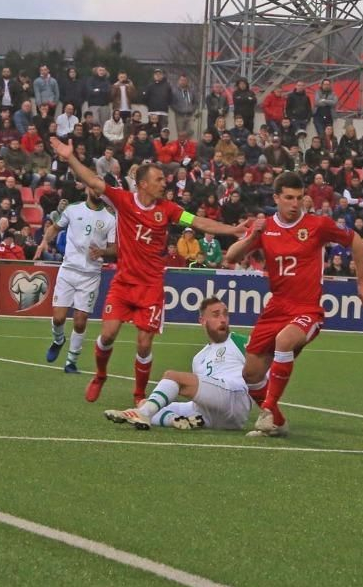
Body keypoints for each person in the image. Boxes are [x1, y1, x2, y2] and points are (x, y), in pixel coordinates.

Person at [47, 135, 246, 407]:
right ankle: (100, 375)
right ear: (143, 184)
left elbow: (198, 221)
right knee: (107, 335)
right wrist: (69, 157)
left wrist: (231, 230)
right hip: (124, 283)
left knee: (143, 345)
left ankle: (139, 395)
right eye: (159, 180)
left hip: (150, 287)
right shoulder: (123, 201)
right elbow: (93, 181)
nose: (164, 183)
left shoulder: (169, 210)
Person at [221, 172, 363, 438]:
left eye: (299, 198)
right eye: (288, 198)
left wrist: (362, 282)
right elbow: (231, 257)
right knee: (251, 373)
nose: (295, 204)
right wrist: (251, 237)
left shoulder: (318, 225)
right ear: (276, 198)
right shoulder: (265, 227)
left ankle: (268, 409)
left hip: (306, 309)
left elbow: (356, 241)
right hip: (276, 307)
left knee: (284, 341)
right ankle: (277, 420)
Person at [103, 297, 254, 431]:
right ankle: (175, 420)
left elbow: (265, 369)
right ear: (202, 321)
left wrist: (268, 408)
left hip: (235, 398)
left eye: (225, 314)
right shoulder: (198, 358)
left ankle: (143, 414)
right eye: (216, 315)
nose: (223, 319)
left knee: (172, 376)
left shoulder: (239, 341)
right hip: (213, 416)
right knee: (145, 402)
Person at [36, 186, 117, 374]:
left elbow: (115, 249)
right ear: (88, 189)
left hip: (90, 275)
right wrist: (43, 243)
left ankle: (71, 361)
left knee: (80, 321)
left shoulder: (110, 218)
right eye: (94, 188)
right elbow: (55, 228)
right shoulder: (73, 209)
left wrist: (103, 252)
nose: (97, 192)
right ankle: (58, 340)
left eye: (100, 190)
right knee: (59, 318)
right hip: (68, 271)